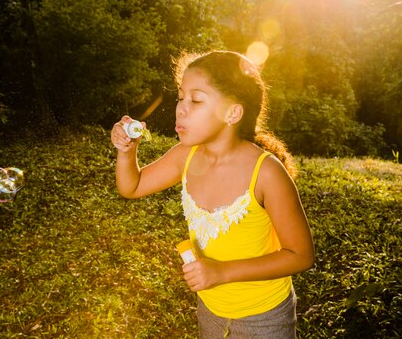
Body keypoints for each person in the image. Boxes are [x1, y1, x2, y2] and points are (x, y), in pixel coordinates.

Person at [111, 50, 314, 338]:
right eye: (181, 97)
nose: (181, 108)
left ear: (233, 112)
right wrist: (126, 152)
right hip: (210, 312)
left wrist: (221, 272)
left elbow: (301, 256)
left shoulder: (267, 173)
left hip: (265, 319)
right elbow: (132, 186)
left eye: (196, 100)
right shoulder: (186, 155)